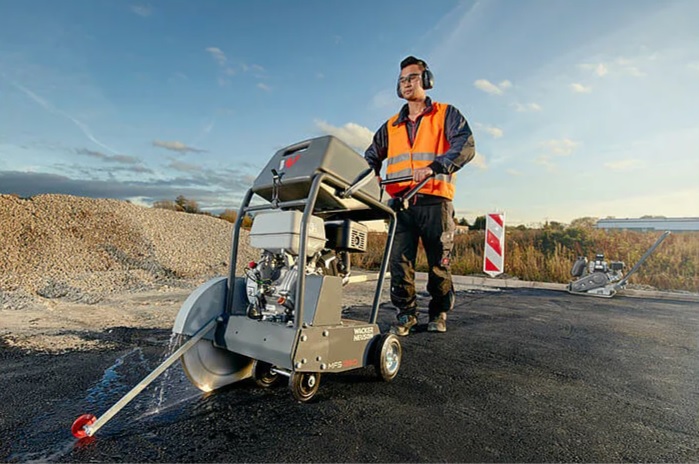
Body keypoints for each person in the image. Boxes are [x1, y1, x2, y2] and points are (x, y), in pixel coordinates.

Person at [364, 55, 475, 335]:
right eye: (402, 79)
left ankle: (438, 313)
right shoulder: (391, 126)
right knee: (400, 263)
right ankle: (406, 315)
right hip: (400, 204)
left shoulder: (446, 114)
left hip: (436, 200)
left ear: (426, 80)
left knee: (439, 263)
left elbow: (465, 145)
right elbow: (371, 155)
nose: (406, 83)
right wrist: (372, 174)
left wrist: (434, 167)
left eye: (412, 77)